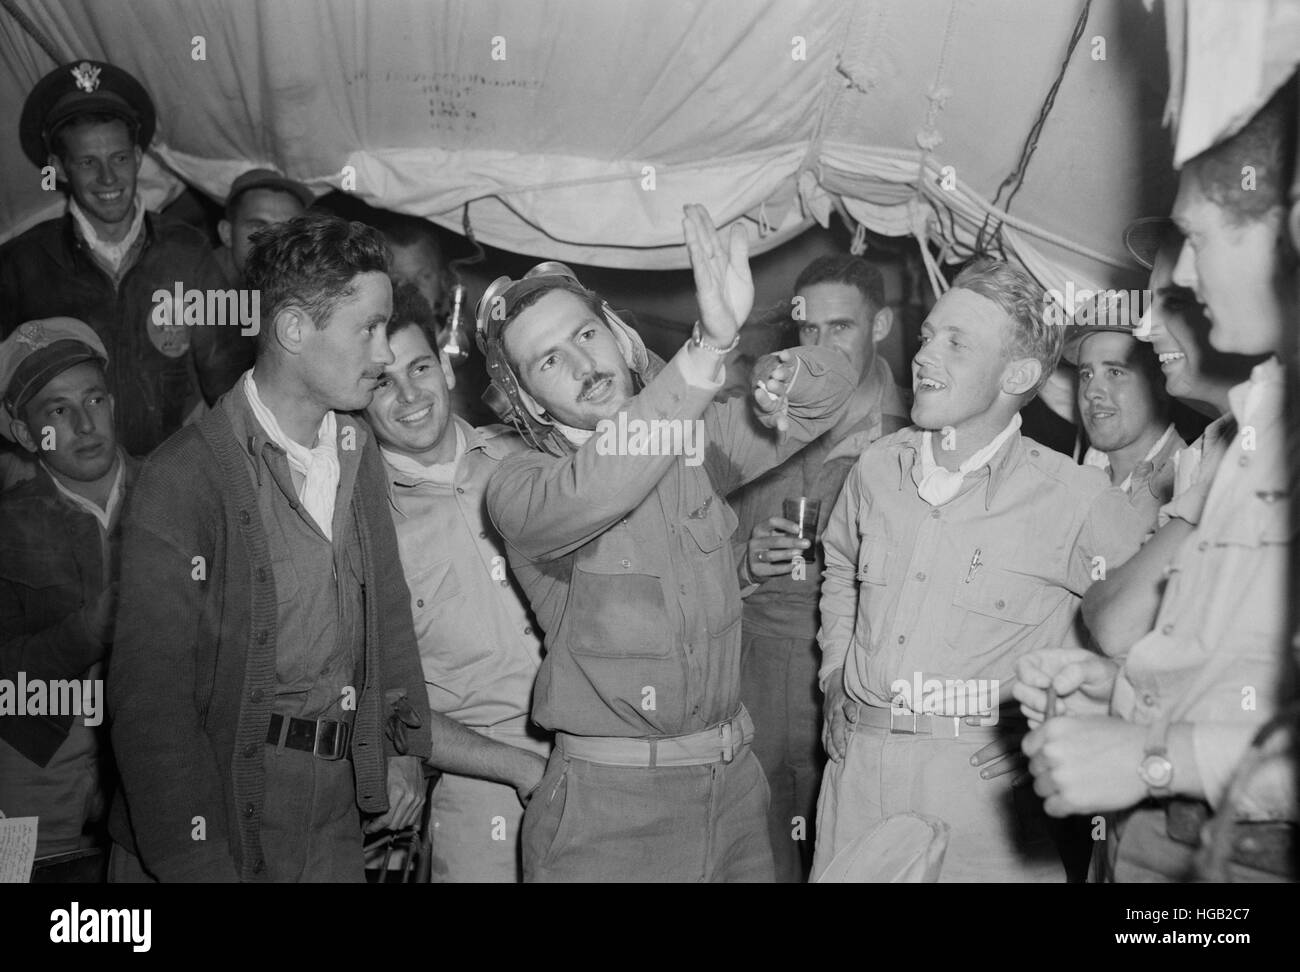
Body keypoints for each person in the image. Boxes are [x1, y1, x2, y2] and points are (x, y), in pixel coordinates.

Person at [483, 205, 857, 882]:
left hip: (736, 792)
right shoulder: (520, 489)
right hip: (610, 817)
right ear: (532, 404)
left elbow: (829, 391)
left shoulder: (698, 441)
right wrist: (708, 350)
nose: (580, 363)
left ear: (620, 337)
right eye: (547, 361)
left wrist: (783, 377)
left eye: (586, 333)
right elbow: (607, 481)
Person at [1017, 82, 1296, 881]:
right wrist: (1119, 696)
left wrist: (1151, 759)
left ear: (1284, 233)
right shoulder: (1252, 432)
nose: (1146, 325)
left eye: (1196, 246)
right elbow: (1236, 678)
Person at [107, 213, 431, 882]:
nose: (383, 354)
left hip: (334, 808)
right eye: (366, 329)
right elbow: (152, 708)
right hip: (223, 804)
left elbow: (388, 618)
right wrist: (197, 860)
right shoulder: (184, 478)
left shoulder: (357, 450)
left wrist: (402, 748)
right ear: (291, 329)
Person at [812, 258, 1151, 882]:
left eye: (956, 343)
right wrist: (835, 673)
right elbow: (840, 567)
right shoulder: (875, 470)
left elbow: (1158, 636)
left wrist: (1069, 721)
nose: (923, 356)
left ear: (1016, 373)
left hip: (984, 801)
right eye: (926, 336)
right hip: (855, 778)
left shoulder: (1077, 501)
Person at [727, 254, 910, 881]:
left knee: (853, 853)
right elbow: (692, 548)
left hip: (857, 670)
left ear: (880, 324)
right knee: (754, 852)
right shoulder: (755, 419)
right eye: (809, 330)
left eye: (842, 328)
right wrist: (743, 561)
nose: (822, 345)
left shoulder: (918, 428)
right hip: (751, 665)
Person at [364, 282, 550, 882]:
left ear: (445, 367)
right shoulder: (362, 527)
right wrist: (520, 769)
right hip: (483, 788)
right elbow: (390, 699)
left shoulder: (529, 458)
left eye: (419, 368)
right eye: (382, 382)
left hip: (600, 757)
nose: (408, 395)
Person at [0, 59, 245, 457]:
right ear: (60, 168)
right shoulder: (20, 266)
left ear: (136, 156)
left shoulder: (188, 251)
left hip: (171, 477)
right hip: (66, 495)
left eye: (119, 158)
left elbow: (230, 381)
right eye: (87, 163)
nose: (108, 178)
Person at [0, 318, 133, 860]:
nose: (83, 424)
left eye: (94, 399)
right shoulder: (8, 525)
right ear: (27, 435)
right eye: (57, 410)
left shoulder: (173, 495)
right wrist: (91, 629)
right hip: (35, 766)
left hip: (149, 764)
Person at [1062, 313, 1182, 525]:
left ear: (1160, 383)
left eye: (1115, 372)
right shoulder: (1074, 477)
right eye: (1086, 375)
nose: (1091, 392)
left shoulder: (1185, 486)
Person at [214, 168, 313, 286]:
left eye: (289, 231)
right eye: (259, 227)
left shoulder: (314, 286)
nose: (274, 241)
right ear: (226, 233)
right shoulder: (193, 287)